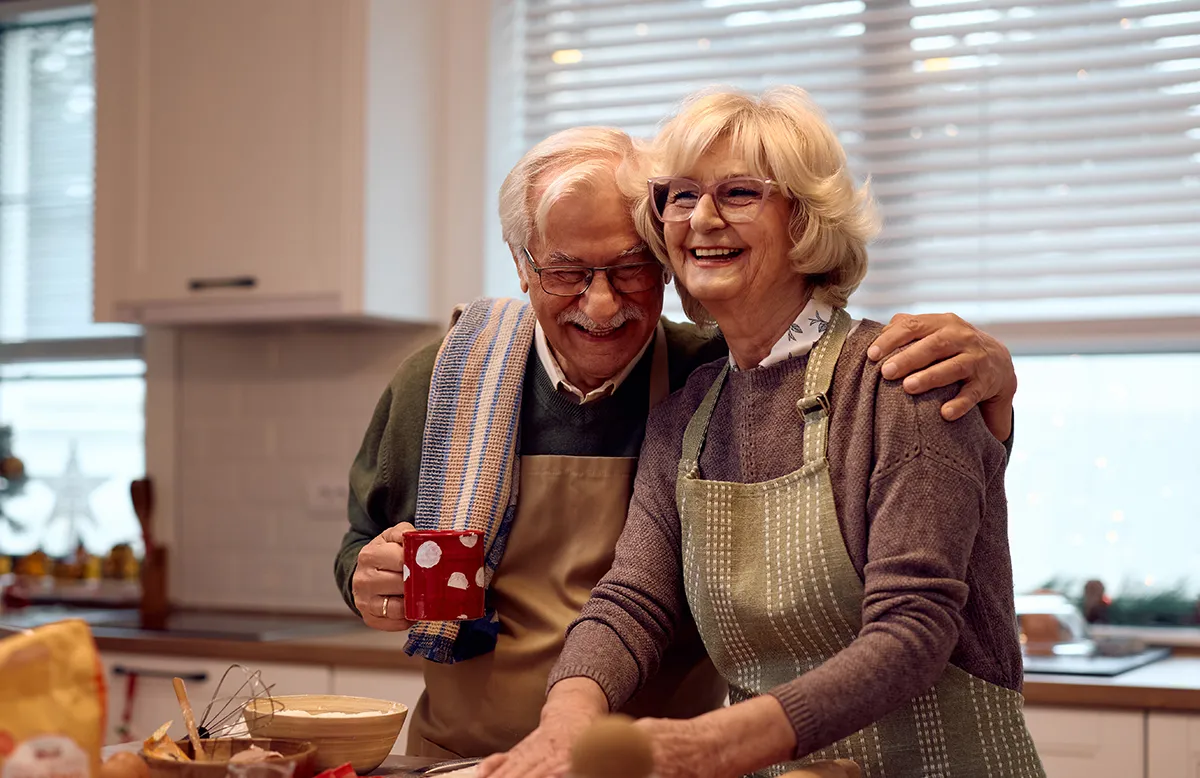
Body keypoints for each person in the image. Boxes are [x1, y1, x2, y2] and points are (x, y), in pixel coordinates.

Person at [334, 124, 1021, 759]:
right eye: (567, 271)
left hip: (676, 760)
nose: (601, 305)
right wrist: (565, 719)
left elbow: (921, 599)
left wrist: (995, 386)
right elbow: (633, 599)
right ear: (522, 264)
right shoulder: (462, 383)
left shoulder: (877, 374)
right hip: (491, 758)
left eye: (629, 267)